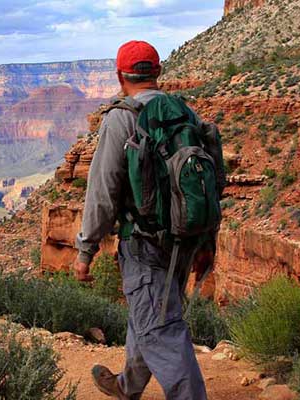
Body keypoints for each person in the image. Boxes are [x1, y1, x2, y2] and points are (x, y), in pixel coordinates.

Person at [74, 40, 209, 400]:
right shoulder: (185, 113)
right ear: (159, 73)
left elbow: (102, 190)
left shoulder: (122, 116)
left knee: (161, 328)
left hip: (145, 243)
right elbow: (210, 182)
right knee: (150, 312)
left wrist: (85, 249)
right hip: (185, 238)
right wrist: (206, 241)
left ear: (120, 76)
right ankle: (125, 386)